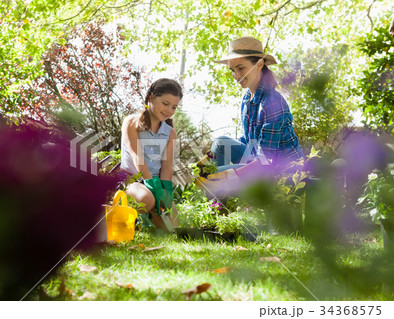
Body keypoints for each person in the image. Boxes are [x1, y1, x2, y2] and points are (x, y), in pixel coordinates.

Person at [197, 36, 303, 196]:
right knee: (220, 143)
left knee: (213, 177)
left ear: (259, 64)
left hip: (283, 171)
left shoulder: (272, 103)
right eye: (232, 70)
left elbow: (266, 160)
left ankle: (218, 207)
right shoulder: (248, 98)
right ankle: (219, 203)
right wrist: (210, 157)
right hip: (258, 159)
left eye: (241, 68)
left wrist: (230, 175)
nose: (236, 75)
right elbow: (250, 140)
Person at [119, 78, 183, 229]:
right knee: (146, 199)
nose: (169, 110)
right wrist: (151, 186)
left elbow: (167, 165)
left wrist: (164, 189)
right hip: (132, 180)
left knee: (172, 225)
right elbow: (137, 157)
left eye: (174, 107)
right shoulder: (132, 123)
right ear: (151, 98)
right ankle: (119, 219)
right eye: (165, 104)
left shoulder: (170, 133)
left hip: (156, 183)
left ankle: (147, 220)